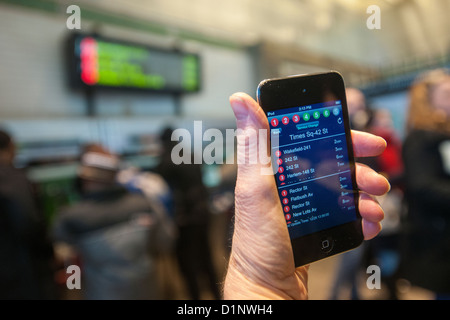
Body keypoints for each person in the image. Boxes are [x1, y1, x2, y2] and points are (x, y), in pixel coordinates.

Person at [223, 92, 390, 299]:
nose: (358, 108)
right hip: (312, 208)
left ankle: (348, 294)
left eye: (360, 104)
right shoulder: (288, 145)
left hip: (338, 204)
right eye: (353, 103)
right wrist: (254, 282)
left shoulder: (341, 134)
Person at [52, 143, 174, 299]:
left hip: (102, 293)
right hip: (148, 289)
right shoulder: (144, 204)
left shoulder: (70, 219)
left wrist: (74, 291)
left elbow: (69, 264)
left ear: (84, 177)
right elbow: (165, 242)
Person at [400, 68, 450, 299]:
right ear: (427, 100)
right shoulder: (420, 139)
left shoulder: (442, 134)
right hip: (438, 238)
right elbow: (422, 186)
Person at [156, 127, 221, 300]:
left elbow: (159, 185)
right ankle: (217, 295)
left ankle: (195, 298)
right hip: (203, 213)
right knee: (206, 258)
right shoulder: (190, 154)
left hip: (185, 219)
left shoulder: (166, 160)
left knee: (187, 263)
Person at [0, 129, 57, 299]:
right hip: (20, 269)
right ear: (12, 147)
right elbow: (27, 223)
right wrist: (49, 251)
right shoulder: (12, 179)